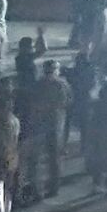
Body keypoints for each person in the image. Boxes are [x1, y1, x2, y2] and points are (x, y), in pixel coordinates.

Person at [29, 60, 71, 199]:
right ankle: (54, 187)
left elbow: (33, 104)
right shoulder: (62, 85)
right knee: (54, 159)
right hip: (56, 126)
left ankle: (35, 188)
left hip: (40, 126)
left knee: (35, 159)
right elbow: (68, 103)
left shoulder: (38, 85)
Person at [86, 81, 107, 195]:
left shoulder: (97, 105)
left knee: (98, 161)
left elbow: (92, 121)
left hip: (97, 137)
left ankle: (97, 185)